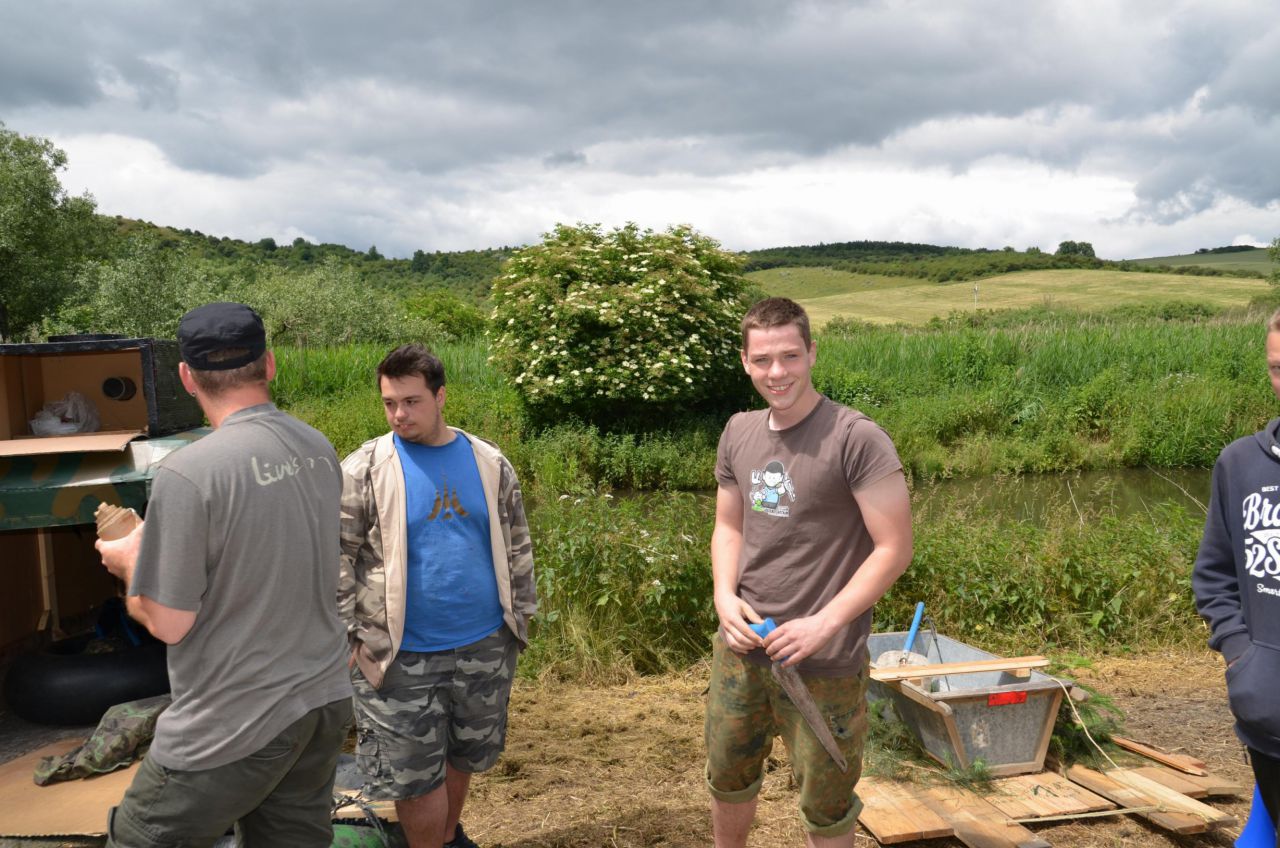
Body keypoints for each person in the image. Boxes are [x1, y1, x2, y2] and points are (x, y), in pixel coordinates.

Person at [96, 302, 353, 847]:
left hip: (236, 720)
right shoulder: (317, 447)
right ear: (269, 364)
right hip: (320, 700)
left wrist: (129, 563)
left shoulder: (189, 473)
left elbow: (169, 623)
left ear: (187, 377)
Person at [706, 297, 913, 848]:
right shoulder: (738, 431)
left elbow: (894, 548)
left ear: (812, 353)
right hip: (743, 650)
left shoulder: (855, 437)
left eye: (790, 357)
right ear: (745, 362)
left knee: (827, 804)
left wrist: (824, 623)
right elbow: (728, 528)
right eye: (763, 360)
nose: (777, 372)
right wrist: (724, 597)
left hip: (825, 662)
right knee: (728, 777)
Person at [339, 343, 536, 848]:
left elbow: (517, 543)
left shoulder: (489, 462)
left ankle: (447, 838)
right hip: (399, 654)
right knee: (411, 776)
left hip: (483, 646)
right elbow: (334, 556)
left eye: (412, 401)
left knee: (462, 753)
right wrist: (348, 637)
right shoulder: (364, 469)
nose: (399, 414)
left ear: (441, 396)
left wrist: (519, 621)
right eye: (389, 403)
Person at [1192, 307, 1280, 846]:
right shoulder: (1240, 464)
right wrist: (1242, 658)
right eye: (1277, 368)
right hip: (1268, 719)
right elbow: (1214, 575)